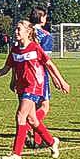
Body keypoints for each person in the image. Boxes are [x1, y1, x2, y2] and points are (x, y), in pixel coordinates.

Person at [0, 20, 69, 159]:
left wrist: (62, 81)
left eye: (19, 29)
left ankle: (16, 154)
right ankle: (51, 142)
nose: (16, 32)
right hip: (21, 87)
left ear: (28, 31)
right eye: (16, 29)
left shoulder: (35, 48)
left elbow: (49, 64)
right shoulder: (15, 50)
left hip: (34, 86)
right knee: (32, 119)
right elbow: (5, 70)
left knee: (20, 115)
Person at [28, 8, 55, 147]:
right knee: (44, 106)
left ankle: (37, 141)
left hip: (24, 74)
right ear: (41, 18)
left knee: (31, 106)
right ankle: (27, 126)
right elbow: (46, 60)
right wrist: (56, 78)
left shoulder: (24, 31)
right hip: (39, 75)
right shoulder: (46, 35)